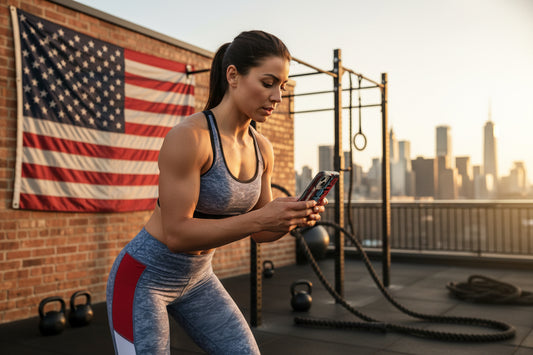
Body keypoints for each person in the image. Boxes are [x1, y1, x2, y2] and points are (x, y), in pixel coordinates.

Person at [106, 30, 327, 354]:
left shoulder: (262, 148)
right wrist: (260, 218)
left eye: (282, 86)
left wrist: (291, 218)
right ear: (233, 76)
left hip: (198, 280)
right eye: (268, 83)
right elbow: (177, 235)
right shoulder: (190, 138)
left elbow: (262, 233)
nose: (277, 97)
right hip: (143, 279)